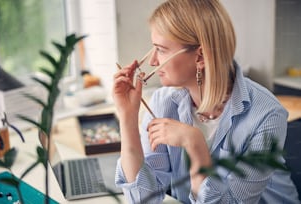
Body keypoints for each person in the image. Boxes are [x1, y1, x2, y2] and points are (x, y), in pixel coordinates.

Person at [112, 0, 299, 203]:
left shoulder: (267, 115)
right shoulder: (163, 102)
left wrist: (195, 146)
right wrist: (128, 118)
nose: (152, 62)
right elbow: (142, 198)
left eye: (161, 49)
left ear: (200, 56)